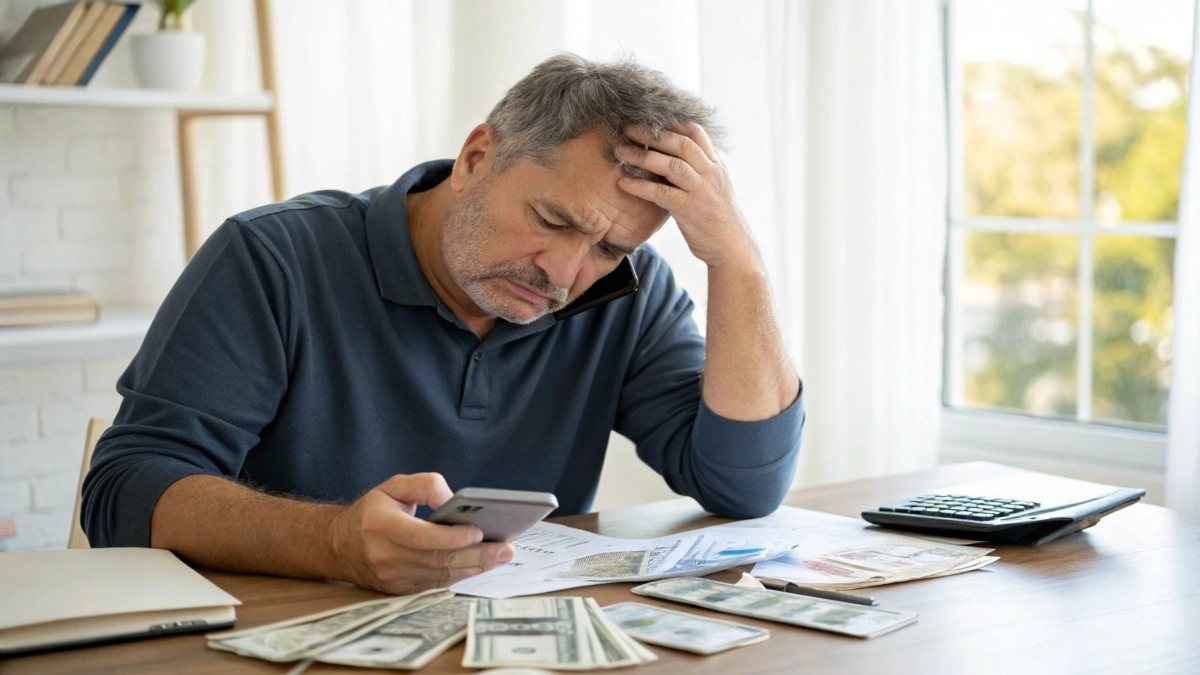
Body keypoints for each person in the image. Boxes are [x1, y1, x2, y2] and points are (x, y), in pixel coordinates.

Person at [82, 54, 804, 595]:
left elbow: (743, 485)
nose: (563, 271)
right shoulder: (273, 258)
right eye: (552, 219)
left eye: (611, 247)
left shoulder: (626, 296)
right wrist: (332, 540)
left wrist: (737, 261)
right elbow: (126, 488)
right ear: (476, 157)